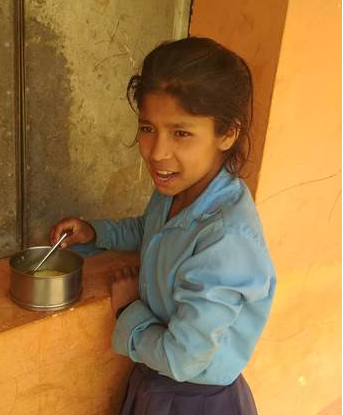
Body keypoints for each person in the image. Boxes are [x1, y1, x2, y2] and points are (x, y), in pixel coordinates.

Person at [50, 37, 276, 415]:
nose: (156, 152)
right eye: (147, 128)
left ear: (228, 133)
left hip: (193, 400)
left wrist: (128, 312)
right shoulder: (179, 191)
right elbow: (152, 230)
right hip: (155, 384)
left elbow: (183, 358)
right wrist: (96, 233)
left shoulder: (225, 241)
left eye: (181, 133)